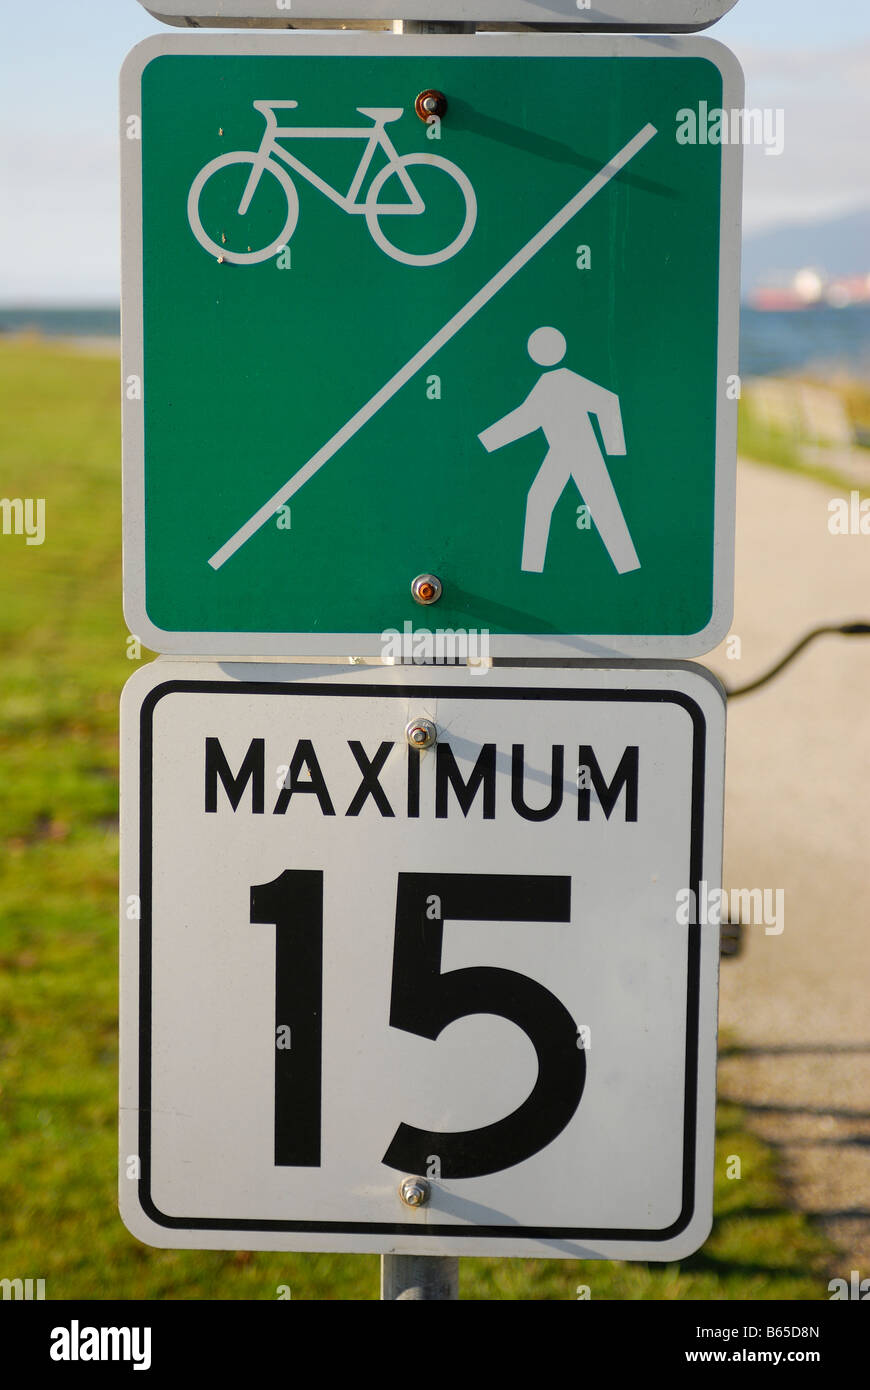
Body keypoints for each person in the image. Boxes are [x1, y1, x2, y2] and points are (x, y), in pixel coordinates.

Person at [479, 327, 640, 575]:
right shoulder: (550, 382)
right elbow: (527, 418)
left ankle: (627, 563)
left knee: (600, 504)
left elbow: (608, 403)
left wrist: (615, 449)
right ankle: (532, 567)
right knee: (540, 499)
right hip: (562, 451)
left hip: (581, 450)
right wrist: (489, 440)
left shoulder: (563, 380)